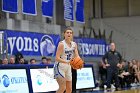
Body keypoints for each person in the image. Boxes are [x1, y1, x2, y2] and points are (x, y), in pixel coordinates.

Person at [53, 27, 80, 93]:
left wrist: (79, 61)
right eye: (67, 32)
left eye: (70, 33)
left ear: (72, 35)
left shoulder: (74, 44)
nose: (69, 34)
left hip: (68, 67)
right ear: (64, 34)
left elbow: (77, 55)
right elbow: (57, 58)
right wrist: (67, 61)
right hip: (59, 67)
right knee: (63, 87)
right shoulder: (61, 44)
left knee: (69, 89)